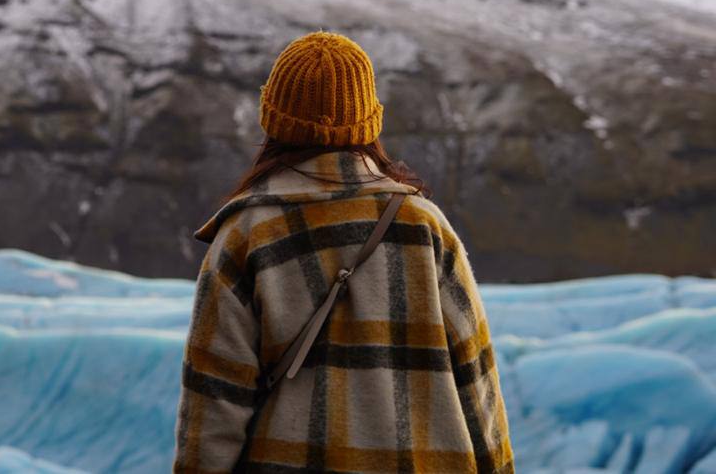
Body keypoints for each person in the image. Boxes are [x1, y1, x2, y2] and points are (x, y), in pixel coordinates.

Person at [172, 30, 514, 473]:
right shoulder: (424, 227)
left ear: (273, 121)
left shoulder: (245, 233)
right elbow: (476, 379)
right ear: (369, 122)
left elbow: (214, 398)